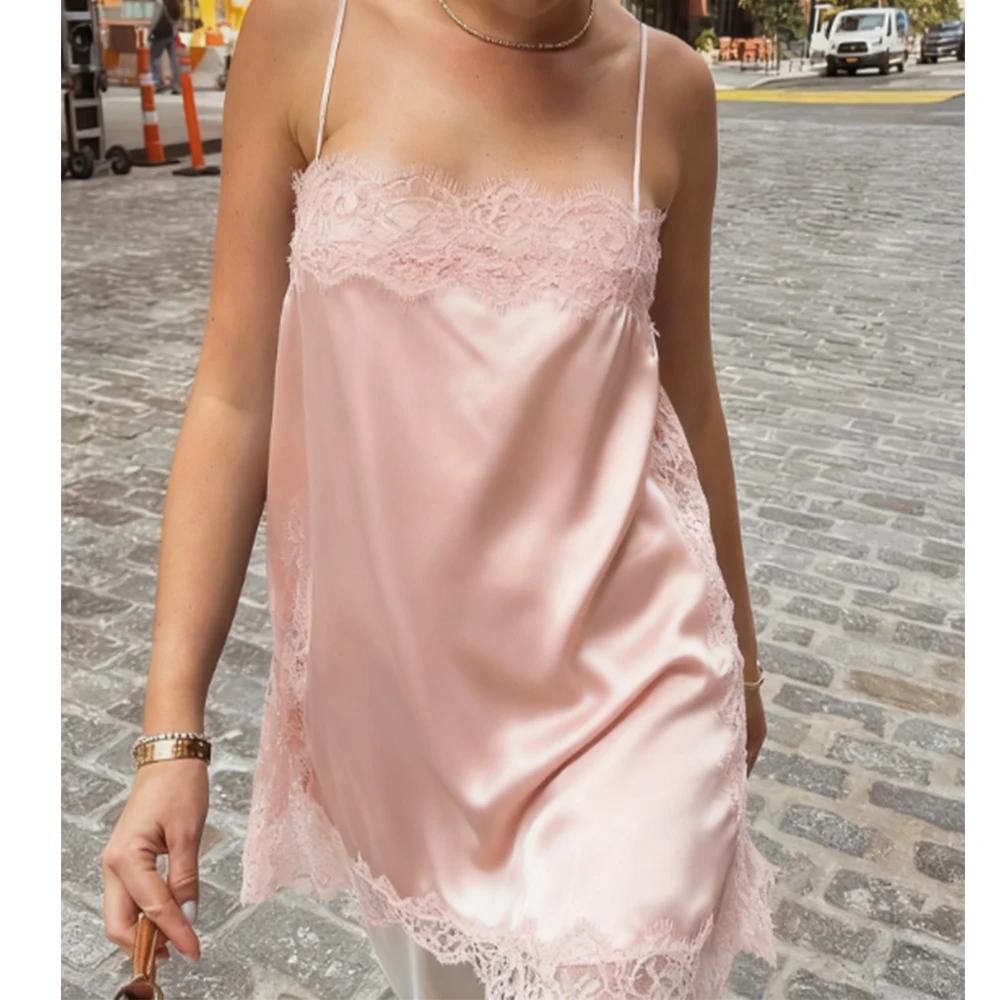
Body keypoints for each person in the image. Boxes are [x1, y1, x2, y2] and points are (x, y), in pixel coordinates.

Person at [100, 1, 777, 996]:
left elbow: (692, 403)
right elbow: (234, 395)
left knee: (623, 966)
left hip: (636, 679)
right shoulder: (310, 35)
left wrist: (743, 666)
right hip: (398, 711)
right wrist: (171, 736)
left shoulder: (666, 87)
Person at [149, 0, 182, 95]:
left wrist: (150, 32)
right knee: (174, 59)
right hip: (170, 34)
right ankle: (177, 85)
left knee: (154, 58)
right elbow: (178, 17)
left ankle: (158, 82)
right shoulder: (175, 2)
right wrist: (174, 30)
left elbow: (155, 19)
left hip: (160, 34)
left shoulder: (160, 2)